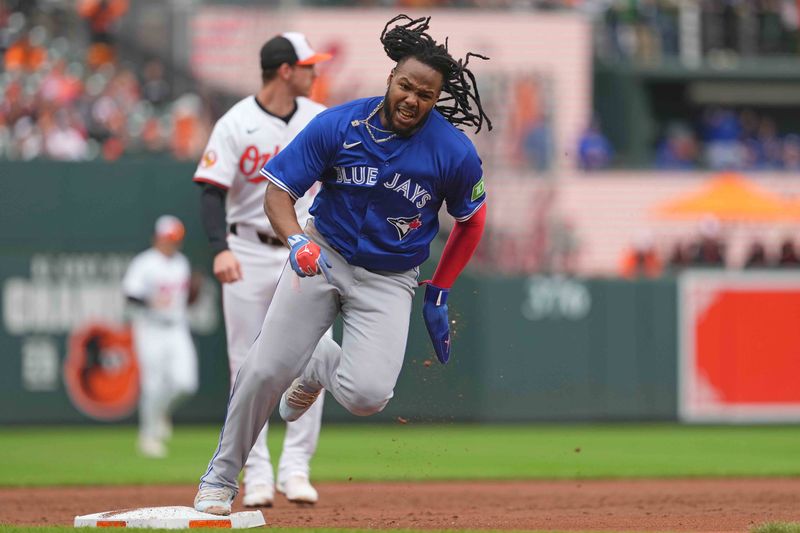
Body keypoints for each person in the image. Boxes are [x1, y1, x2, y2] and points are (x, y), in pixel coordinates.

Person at [193, 14, 491, 516]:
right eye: (406, 86)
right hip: (324, 254)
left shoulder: (454, 153)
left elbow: (472, 221)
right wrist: (294, 242)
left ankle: (312, 365)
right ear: (390, 79)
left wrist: (439, 291)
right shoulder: (338, 124)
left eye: (425, 94)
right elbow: (279, 192)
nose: (412, 99)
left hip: (390, 277)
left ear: (437, 99)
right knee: (264, 367)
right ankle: (221, 478)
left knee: (368, 394)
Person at [192, 32, 333, 507]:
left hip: (306, 246)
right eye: (308, 65)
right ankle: (255, 474)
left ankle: (296, 468)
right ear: (285, 70)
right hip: (248, 247)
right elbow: (211, 189)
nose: (316, 73)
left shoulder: (318, 118)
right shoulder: (236, 122)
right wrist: (219, 247)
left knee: (314, 352)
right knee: (246, 362)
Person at [122, 215, 198, 459]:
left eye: (175, 239)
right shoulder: (145, 263)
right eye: (167, 238)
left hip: (177, 327)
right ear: (157, 238)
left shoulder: (181, 263)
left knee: (186, 384)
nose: (171, 243)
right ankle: (148, 435)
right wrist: (149, 300)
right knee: (153, 385)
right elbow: (130, 294)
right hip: (150, 327)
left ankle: (160, 413)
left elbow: (186, 299)